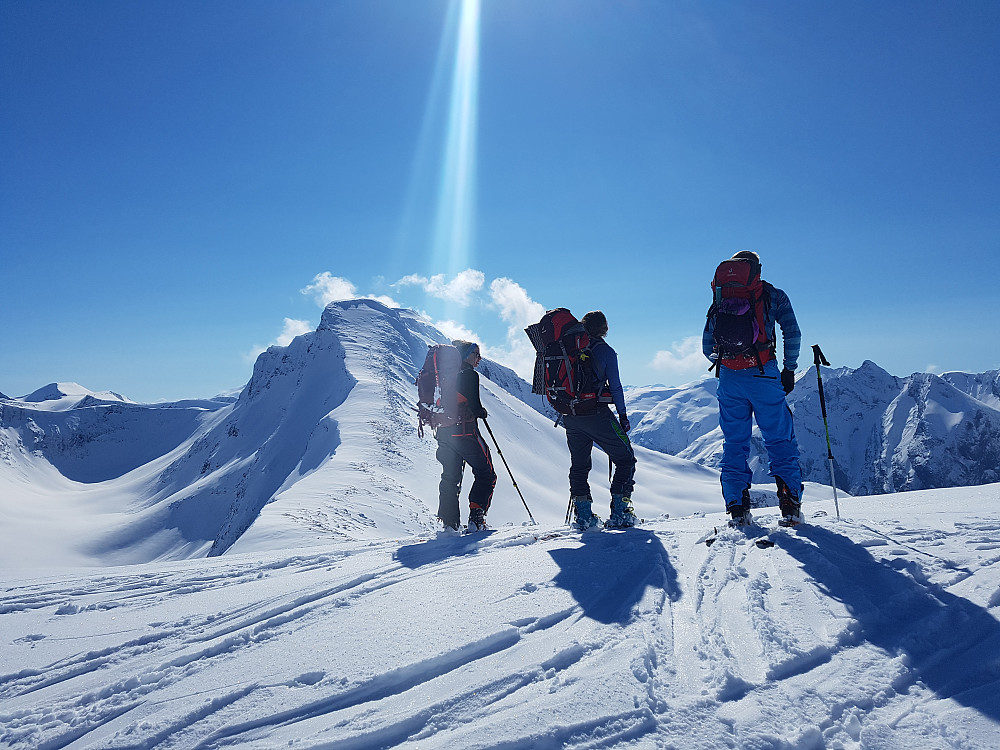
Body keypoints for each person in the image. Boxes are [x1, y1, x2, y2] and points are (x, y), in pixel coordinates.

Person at [703, 251, 803, 526]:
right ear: (757, 270)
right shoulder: (773, 296)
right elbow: (792, 333)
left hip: (729, 379)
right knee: (779, 439)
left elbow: (706, 345)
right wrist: (788, 369)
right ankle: (790, 503)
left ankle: (736, 506)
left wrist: (729, 363)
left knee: (734, 443)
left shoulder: (721, 299)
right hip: (764, 374)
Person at [565, 311, 638, 530]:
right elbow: (615, 386)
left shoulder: (570, 349)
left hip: (570, 415)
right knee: (625, 459)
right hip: (596, 414)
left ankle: (584, 515)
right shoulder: (606, 352)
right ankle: (620, 511)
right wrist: (623, 415)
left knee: (579, 466)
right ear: (604, 329)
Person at [435, 340, 497, 533]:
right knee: (486, 473)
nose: (479, 359)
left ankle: (449, 523)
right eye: (476, 354)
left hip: (443, 432)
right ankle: (476, 518)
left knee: (450, 477)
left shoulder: (443, 375)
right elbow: (475, 407)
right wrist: (482, 412)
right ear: (466, 355)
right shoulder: (469, 374)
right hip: (465, 432)